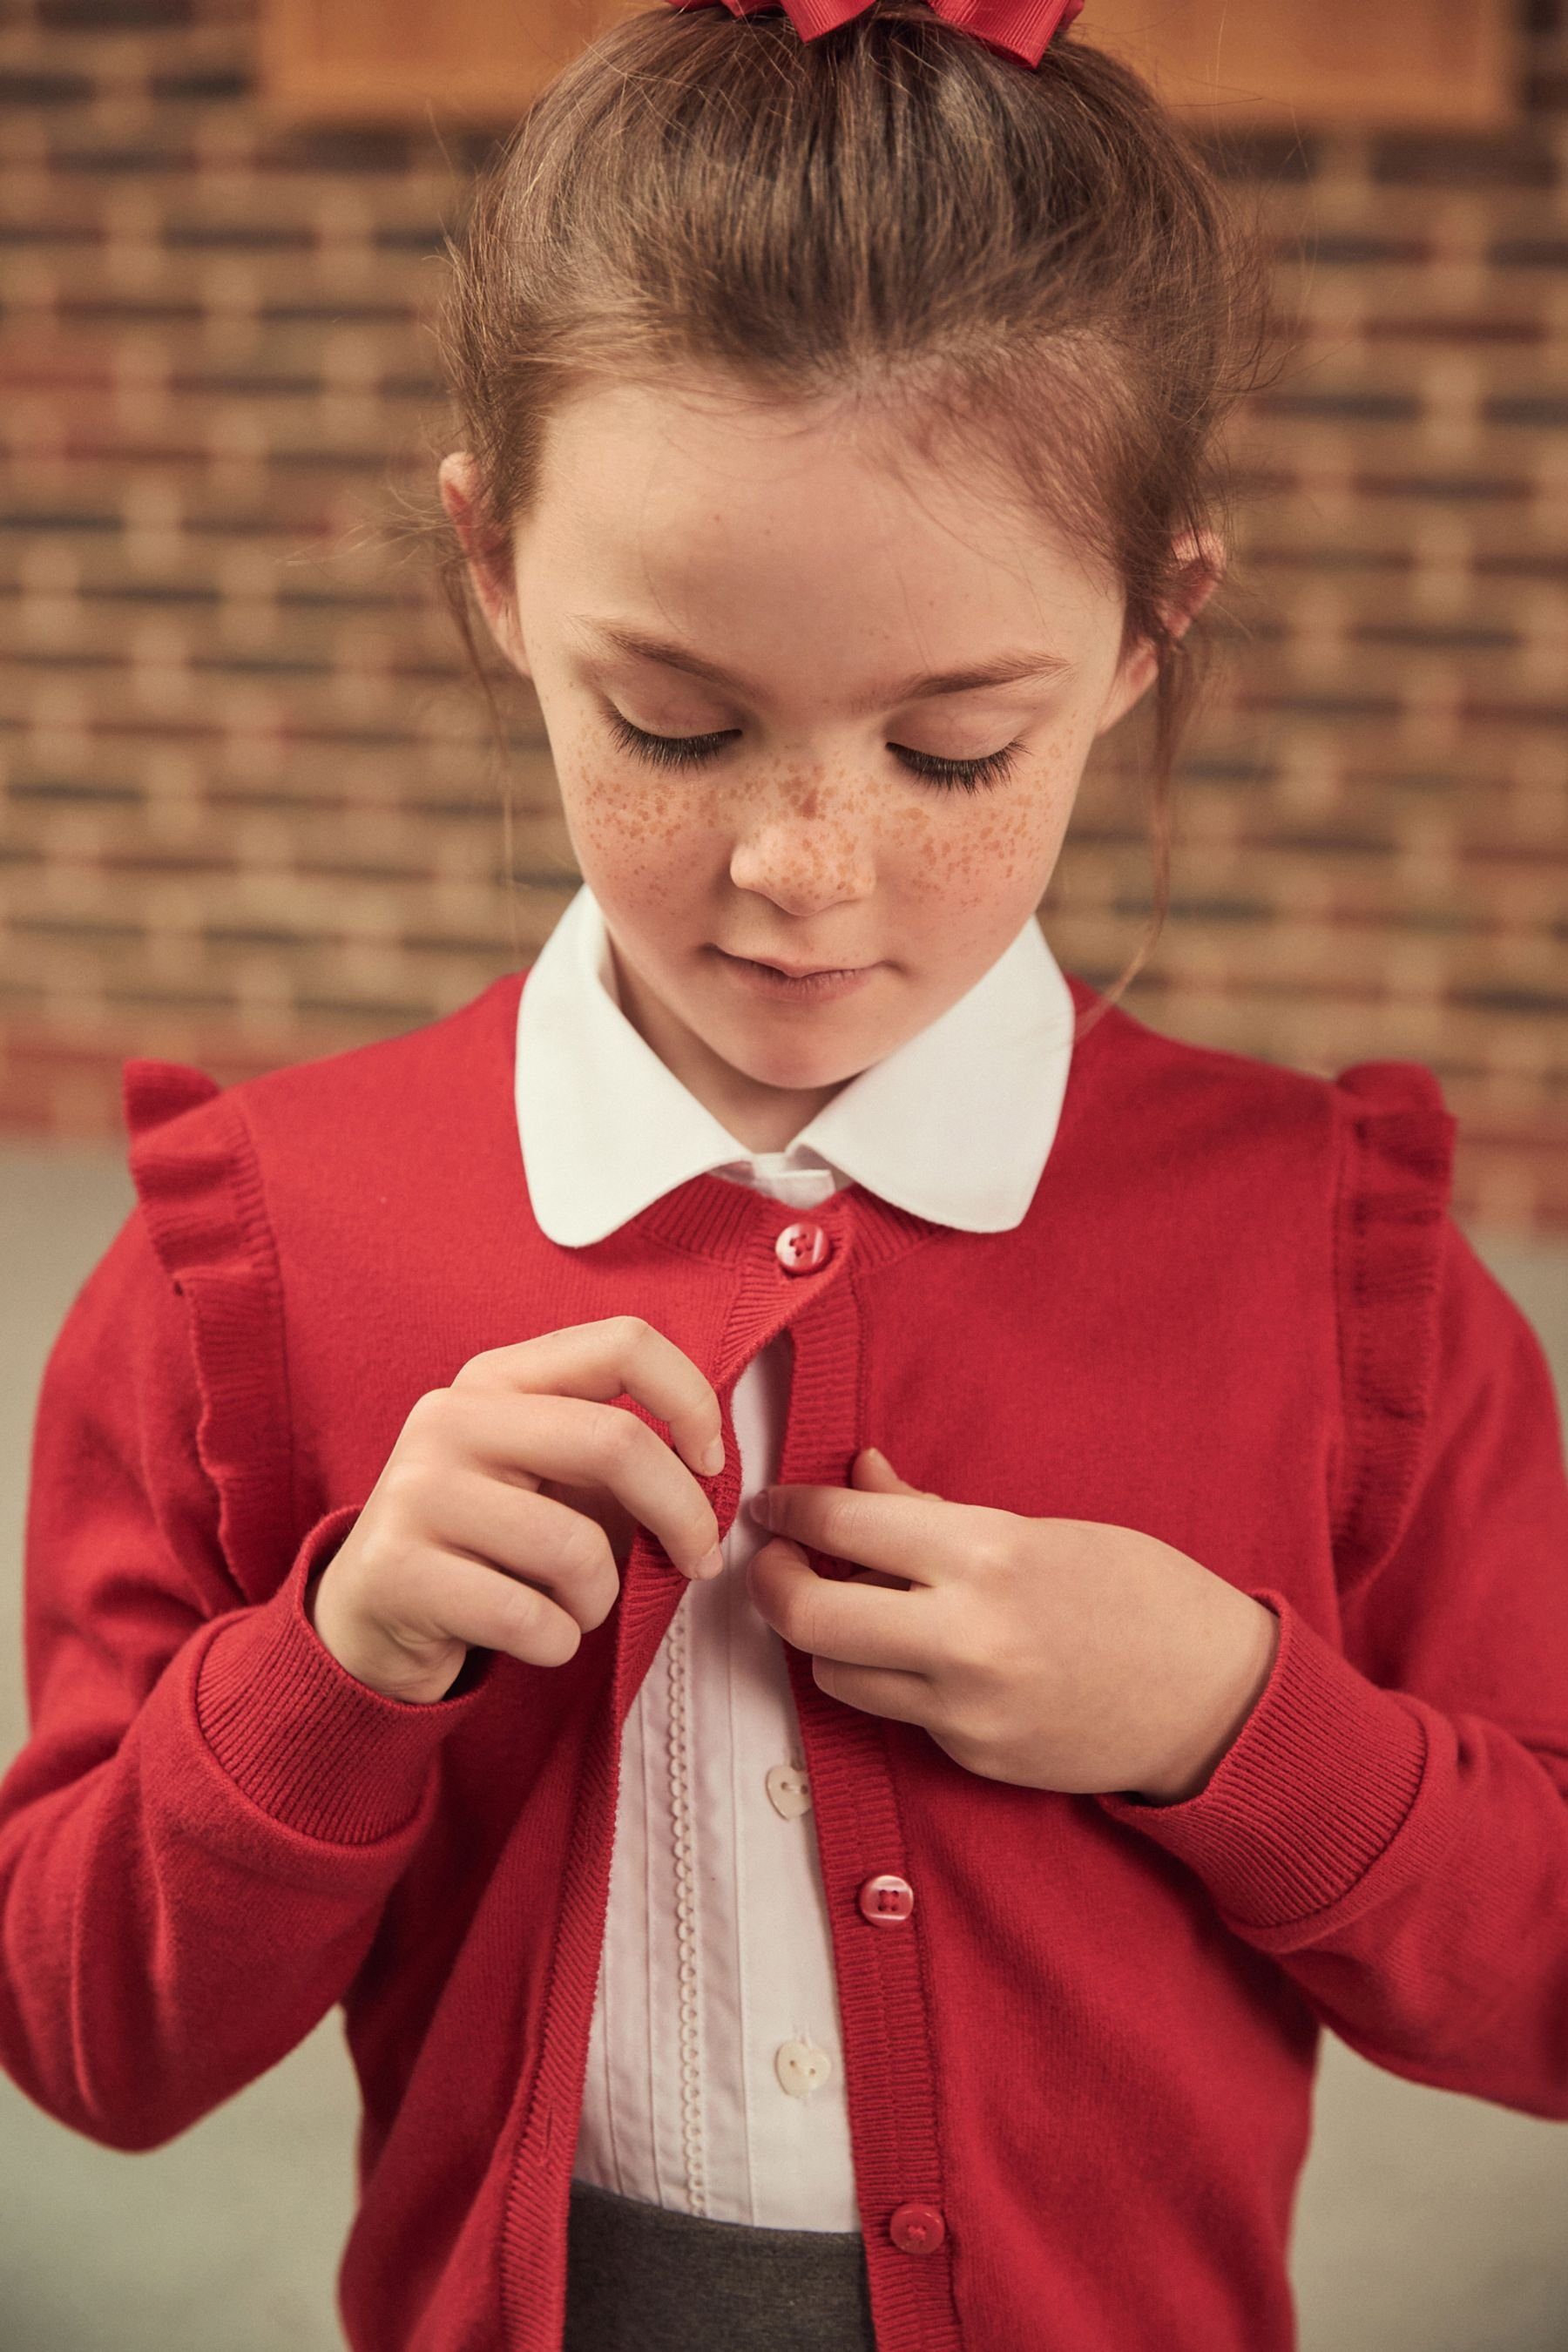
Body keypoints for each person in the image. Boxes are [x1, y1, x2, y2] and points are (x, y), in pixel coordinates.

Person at [3, 3, 1565, 2349]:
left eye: (954, 746)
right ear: (492, 565)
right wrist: (338, 1662)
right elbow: (88, 2032)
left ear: (1153, 625)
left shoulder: (1340, 1267)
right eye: (675, 722)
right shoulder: (254, 1254)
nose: (803, 869)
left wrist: (1236, 1708)